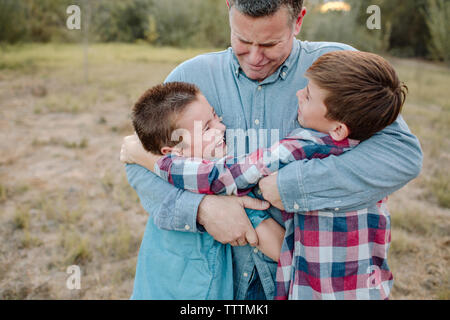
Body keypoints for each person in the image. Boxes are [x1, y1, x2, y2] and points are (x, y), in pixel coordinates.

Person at [124, 0, 422, 300]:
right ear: (229, 9)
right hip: (213, 279)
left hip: (301, 277)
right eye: (242, 40)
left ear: (299, 21)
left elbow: (401, 155)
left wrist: (290, 187)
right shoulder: (191, 76)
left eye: (270, 44)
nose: (254, 57)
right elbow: (142, 162)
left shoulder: (337, 69)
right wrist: (203, 210)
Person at [123, 81, 286, 299]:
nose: (222, 127)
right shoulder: (223, 183)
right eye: (207, 128)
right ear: (175, 151)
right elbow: (280, 250)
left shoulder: (164, 171)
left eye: (216, 116)